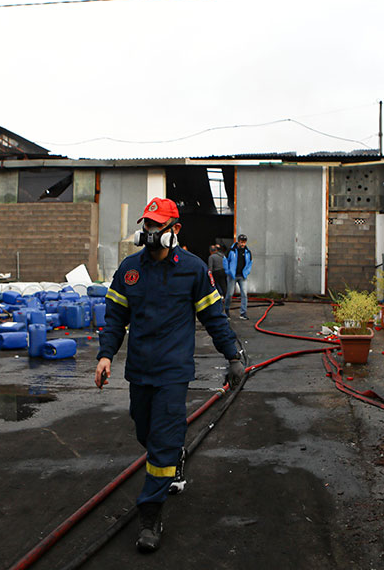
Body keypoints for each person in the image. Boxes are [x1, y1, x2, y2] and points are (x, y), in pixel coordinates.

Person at [95, 197, 245, 553]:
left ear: (173, 230)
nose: (148, 231)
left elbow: (214, 318)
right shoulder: (130, 270)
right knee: (144, 430)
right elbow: (115, 317)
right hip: (140, 371)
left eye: (155, 225)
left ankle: (150, 515)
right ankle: (170, 456)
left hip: (173, 373)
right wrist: (104, 355)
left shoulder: (192, 270)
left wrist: (233, 356)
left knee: (161, 443)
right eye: (146, 224)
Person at [225, 234, 253, 320]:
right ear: (238, 241)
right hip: (232, 276)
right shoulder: (231, 250)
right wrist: (228, 271)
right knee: (229, 294)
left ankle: (243, 313)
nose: (243, 244)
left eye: (244, 242)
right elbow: (225, 260)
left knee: (244, 294)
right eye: (241, 242)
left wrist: (247, 272)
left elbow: (250, 263)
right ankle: (226, 312)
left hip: (242, 276)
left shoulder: (248, 252)